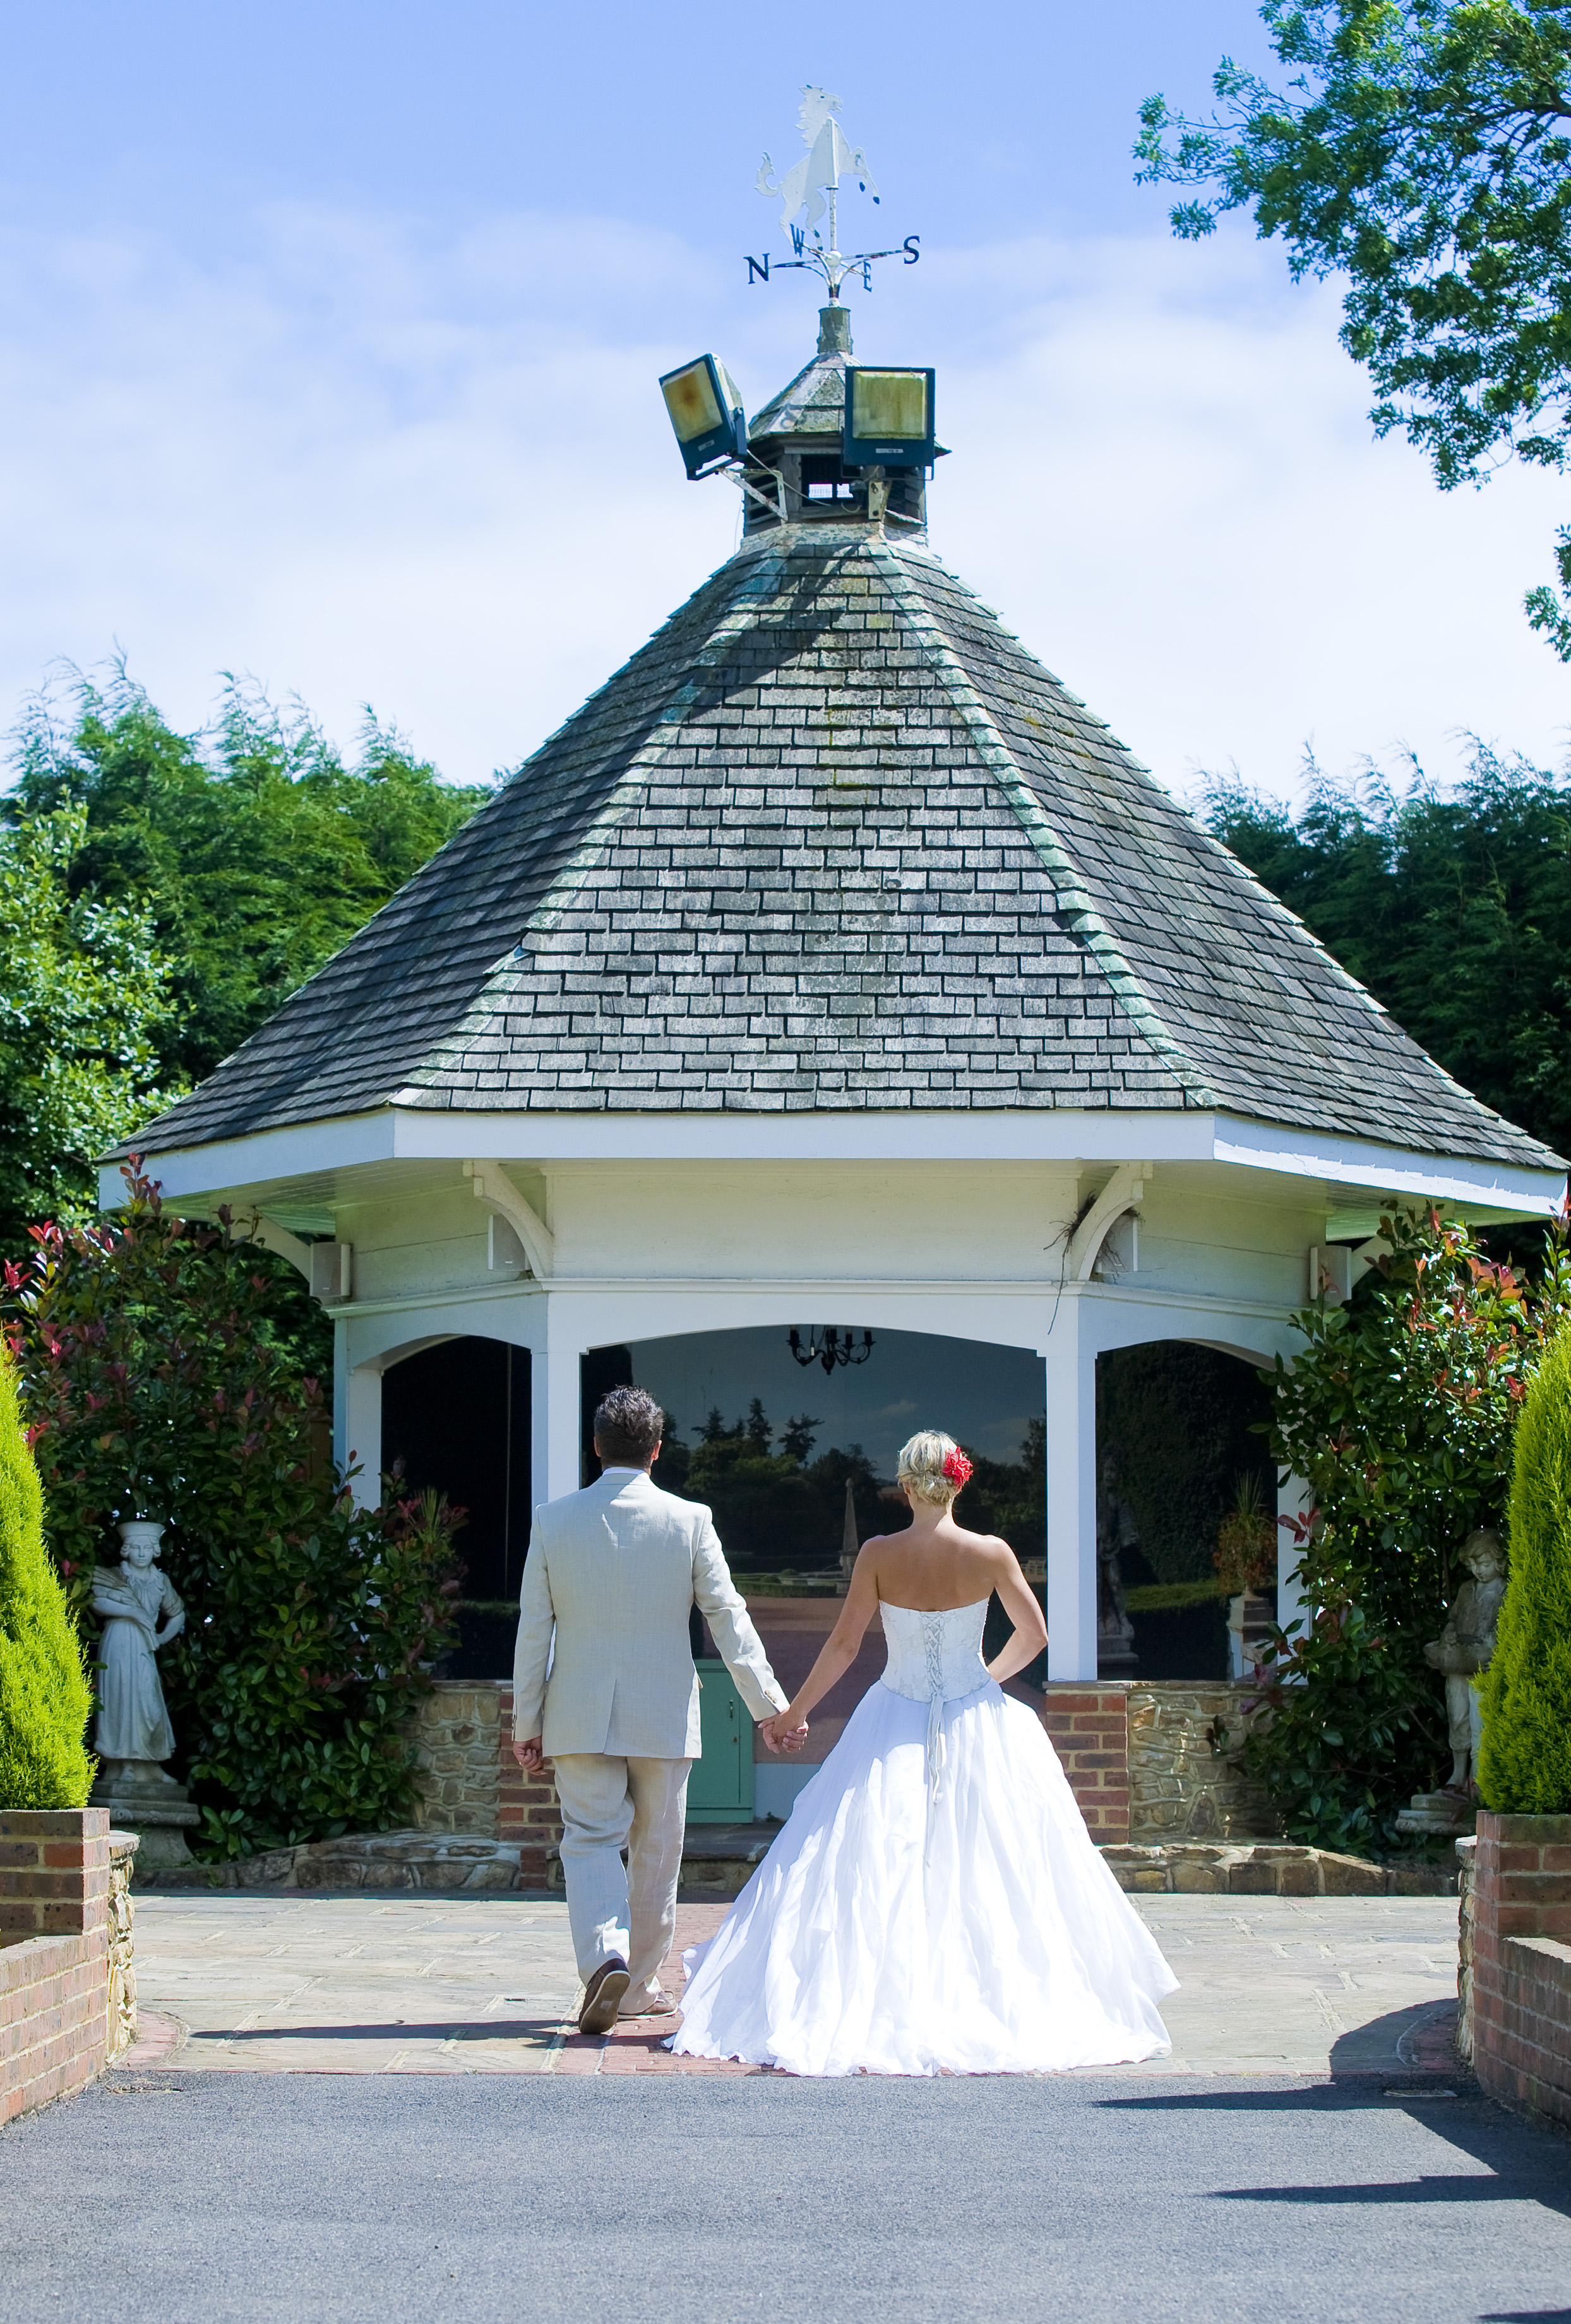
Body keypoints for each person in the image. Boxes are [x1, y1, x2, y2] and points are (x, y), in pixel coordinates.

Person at [670, 1429, 1178, 2077]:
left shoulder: (878, 1554)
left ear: (905, 1486)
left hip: (893, 1715)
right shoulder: (990, 1552)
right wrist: (984, 1681)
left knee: (872, 1854)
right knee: (994, 1858)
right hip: (977, 1715)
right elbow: (1035, 1634)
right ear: (957, 1481)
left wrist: (793, 1714)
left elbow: (845, 1645)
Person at [511, 1386, 797, 2035]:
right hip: (663, 1715)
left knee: (590, 1841)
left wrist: (527, 1722)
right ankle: (637, 1985)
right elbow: (728, 1616)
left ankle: (604, 1958)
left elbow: (534, 1631)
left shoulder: (553, 1521)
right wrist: (769, 1707)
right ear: (658, 1450)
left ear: (595, 1445)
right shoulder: (689, 1519)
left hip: (577, 1713)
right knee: (657, 1852)